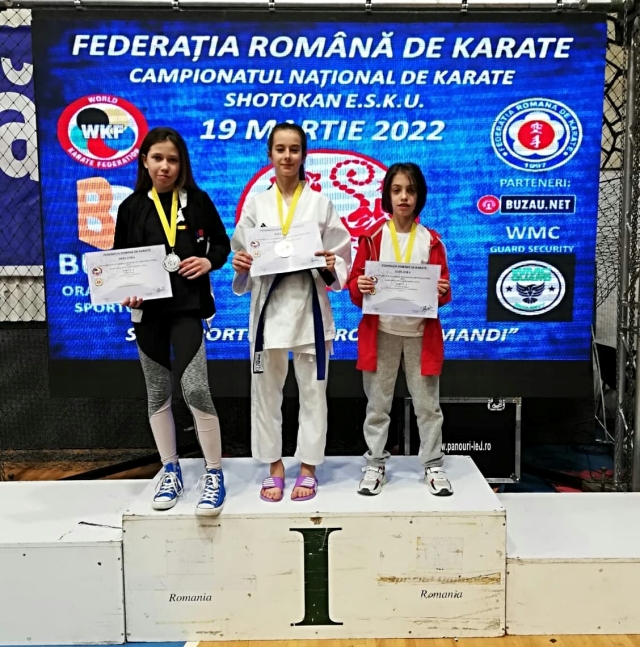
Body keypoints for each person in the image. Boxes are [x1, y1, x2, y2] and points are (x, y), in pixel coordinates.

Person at [231, 122, 351, 502]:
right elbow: (242, 253)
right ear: (270, 154)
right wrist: (241, 263)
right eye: (280, 149)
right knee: (266, 392)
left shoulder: (320, 203)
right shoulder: (256, 204)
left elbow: (341, 256)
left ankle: (309, 467)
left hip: (309, 309)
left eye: (294, 149)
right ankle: (274, 466)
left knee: (313, 392)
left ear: (304, 155)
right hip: (268, 309)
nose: (287, 156)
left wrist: (332, 264)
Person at [113, 126, 231, 515]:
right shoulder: (131, 207)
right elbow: (118, 260)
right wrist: (127, 289)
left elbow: (222, 244)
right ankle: (170, 469)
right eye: (158, 158)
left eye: (173, 159)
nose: (165, 166)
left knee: (195, 389)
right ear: (144, 161)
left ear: (183, 164)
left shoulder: (198, 200)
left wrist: (209, 261)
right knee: (157, 393)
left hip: (187, 309)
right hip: (148, 313)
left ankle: (214, 473)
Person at [347, 162, 453, 496]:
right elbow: (354, 286)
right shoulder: (372, 237)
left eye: (410, 190)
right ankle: (375, 463)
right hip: (381, 334)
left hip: (421, 335)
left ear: (419, 196)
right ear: (387, 196)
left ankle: (433, 464)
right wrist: (359, 285)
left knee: (427, 406)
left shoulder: (431, 241)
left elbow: (445, 291)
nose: (404, 197)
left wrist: (441, 291)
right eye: (397, 190)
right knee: (377, 405)